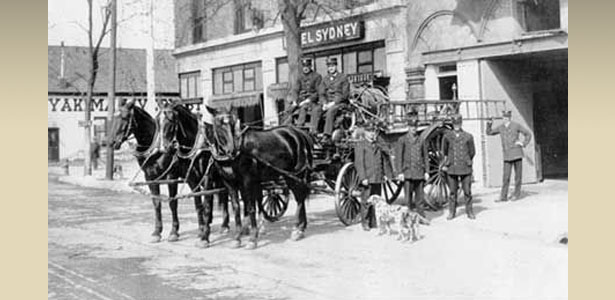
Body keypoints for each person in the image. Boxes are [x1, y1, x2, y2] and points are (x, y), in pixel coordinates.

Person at [486, 110, 532, 202]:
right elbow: (489, 133)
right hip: (507, 155)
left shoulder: (516, 125)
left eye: (507, 117)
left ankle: (516, 194)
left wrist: (523, 143)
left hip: (517, 154)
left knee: (518, 176)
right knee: (506, 177)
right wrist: (489, 124)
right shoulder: (501, 127)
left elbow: (528, 134)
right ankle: (503, 197)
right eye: (504, 117)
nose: (505, 119)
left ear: (510, 118)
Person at [442, 114, 476, 220]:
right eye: (455, 124)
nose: (457, 126)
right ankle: (452, 212)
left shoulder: (468, 136)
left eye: (458, 124)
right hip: (452, 167)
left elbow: (472, 152)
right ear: (453, 124)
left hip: (465, 168)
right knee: (452, 192)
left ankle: (469, 211)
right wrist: (448, 161)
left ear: (461, 124)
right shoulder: (447, 136)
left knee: (467, 191)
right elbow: (445, 150)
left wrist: (466, 160)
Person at [396, 117, 429, 219]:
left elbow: (425, 156)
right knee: (407, 200)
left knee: (419, 198)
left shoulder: (421, 140)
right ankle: (408, 218)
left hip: (419, 172)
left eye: (415, 126)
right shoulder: (402, 140)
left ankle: (421, 217)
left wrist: (427, 171)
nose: (413, 129)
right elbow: (399, 157)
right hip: (408, 173)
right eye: (411, 127)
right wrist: (400, 172)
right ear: (408, 127)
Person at [354, 126, 383, 231]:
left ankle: (374, 221)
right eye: (369, 132)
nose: (372, 134)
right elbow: (359, 163)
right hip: (368, 177)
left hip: (377, 177)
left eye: (373, 132)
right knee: (366, 201)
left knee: (377, 201)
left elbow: (381, 161)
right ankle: (365, 222)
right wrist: (363, 177)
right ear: (365, 133)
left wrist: (383, 175)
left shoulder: (377, 145)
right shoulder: (361, 145)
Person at [319, 57, 350, 142]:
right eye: (329, 66)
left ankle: (327, 135)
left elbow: (345, 94)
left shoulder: (343, 77)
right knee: (316, 109)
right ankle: (315, 132)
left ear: (336, 66)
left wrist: (333, 103)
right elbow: (321, 93)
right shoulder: (325, 79)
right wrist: (324, 103)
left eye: (332, 66)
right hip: (328, 103)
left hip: (340, 104)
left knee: (331, 111)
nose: (331, 68)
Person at [295, 58, 323, 132]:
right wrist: (294, 100)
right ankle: (296, 129)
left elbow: (318, 92)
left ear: (311, 66)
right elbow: (296, 90)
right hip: (301, 101)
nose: (305, 68)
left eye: (307, 66)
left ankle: (312, 131)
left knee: (311, 110)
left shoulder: (317, 76)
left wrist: (309, 100)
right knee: (289, 112)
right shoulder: (299, 77)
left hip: (313, 101)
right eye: (304, 66)